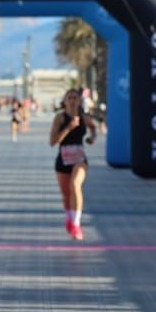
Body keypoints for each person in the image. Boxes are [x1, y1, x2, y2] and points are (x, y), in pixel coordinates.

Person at [49, 88, 96, 240]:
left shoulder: (84, 117)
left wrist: (92, 138)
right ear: (65, 101)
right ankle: (69, 219)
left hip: (79, 159)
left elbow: (93, 127)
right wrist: (69, 128)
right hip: (63, 159)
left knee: (75, 185)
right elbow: (52, 142)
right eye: (69, 97)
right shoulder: (59, 118)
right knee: (66, 195)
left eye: (75, 97)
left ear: (80, 100)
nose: (72, 100)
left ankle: (76, 224)